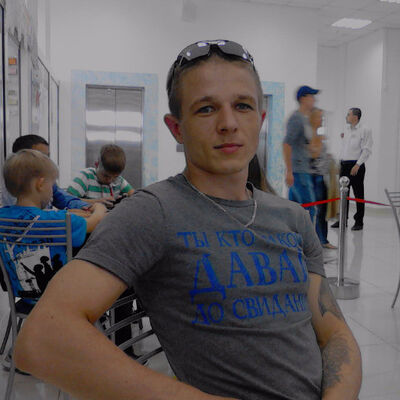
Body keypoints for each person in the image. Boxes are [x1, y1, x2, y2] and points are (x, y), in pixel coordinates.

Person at [15, 40, 361, 400]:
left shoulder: (292, 217)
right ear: (176, 128)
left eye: (242, 106)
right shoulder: (152, 212)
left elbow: (334, 333)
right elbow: (42, 339)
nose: (228, 123)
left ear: (260, 120)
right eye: (206, 109)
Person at [0, 149, 107, 298]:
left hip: (22, 296)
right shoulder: (58, 220)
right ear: (40, 184)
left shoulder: (3, 217)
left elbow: (36, 218)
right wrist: (99, 207)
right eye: (52, 185)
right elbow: (96, 222)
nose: (52, 191)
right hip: (60, 299)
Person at [1, 135, 90, 211]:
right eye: (41, 156)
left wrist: (85, 206)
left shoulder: (45, 179)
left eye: (47, 156)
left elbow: (63, 198)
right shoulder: (14, 185)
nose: (46, 161)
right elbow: (30, 216)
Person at [331, 108, 373, 231]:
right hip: (344, 165)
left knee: (358, 194)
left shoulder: (365, 129)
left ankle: (359, 221)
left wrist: (358, 164)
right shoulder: (346, 129)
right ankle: (342, 219)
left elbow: (367, 150)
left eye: (348, 114)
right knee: (343, 194)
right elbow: (345, 148)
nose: (346, 116)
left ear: (355, 117)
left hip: (355, 165)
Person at [283, 85, 319, 222]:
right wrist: (289, 171)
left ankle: (293, 234)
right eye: (311, 97)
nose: (314, 100)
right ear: (303, 99)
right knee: (309, 210)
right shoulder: (296, 119)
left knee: (294, 209)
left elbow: (303, 143)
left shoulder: (305, 119)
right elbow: (287, 144)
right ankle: (306, 235)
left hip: (304, 169)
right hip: (299, 171)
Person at [67, 144, 134, 207]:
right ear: (96, 165)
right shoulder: (86, 177)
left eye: (115, 177)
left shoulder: (119, 180)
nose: (110, 181)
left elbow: (135, 197)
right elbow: (67, 200)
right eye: (106, 176)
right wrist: (95, 202)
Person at [309, 108, 337, 249]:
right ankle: (310, 241)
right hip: (311, 178)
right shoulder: (307, 137)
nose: (321, 120)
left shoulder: (320, 137)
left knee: (321, 211)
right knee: (311, 211)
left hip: (321, 178)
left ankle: (323, 240)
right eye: (319, 117)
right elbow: (309, 157)